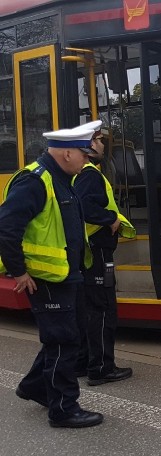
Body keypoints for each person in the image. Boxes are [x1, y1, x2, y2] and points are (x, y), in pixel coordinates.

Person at [0, 124, 104, 428]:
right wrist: (18, 271)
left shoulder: (62, 178)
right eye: (84, 155)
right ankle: (63, 409)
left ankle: (34, 386)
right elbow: (6, 227)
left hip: (65, 275)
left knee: (61, 338)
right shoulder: (35, 182)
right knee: (64, 342)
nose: (86, 161)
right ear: (68, 153)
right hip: (45, 278)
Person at [74, 121, 135, 386]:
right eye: (99, 140)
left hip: (90, 251)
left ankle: (84, 362)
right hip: (97, 251)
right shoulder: (89, 174)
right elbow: (85, 208)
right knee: (102, 309)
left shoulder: (80, 174)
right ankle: (101, 368)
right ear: (88, 146)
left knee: (89, 309)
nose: (102, 144)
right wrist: (111, 219)